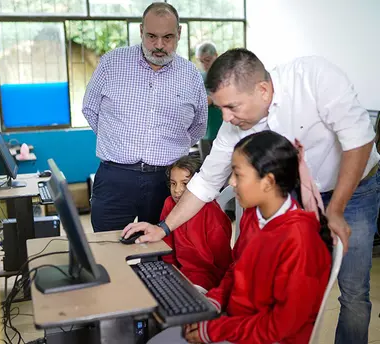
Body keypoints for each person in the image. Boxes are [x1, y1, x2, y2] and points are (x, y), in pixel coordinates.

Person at [123, 49, 380, 344]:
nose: (226, 118)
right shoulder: (241, 143)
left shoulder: (313, 77)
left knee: (353, 291)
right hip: (295, 189)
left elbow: (358, 140)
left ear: (262, 90)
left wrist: (336, 209)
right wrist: (164, 228)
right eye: (221, 109)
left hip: (356, 185)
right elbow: (206, 182)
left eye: (231, 107)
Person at [148, 131, 332, 344]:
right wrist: (214, 301)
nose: (232, 183)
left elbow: (280, 326)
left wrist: (214, 331)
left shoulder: (301, 240)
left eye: (238, 174)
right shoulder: (253, 216)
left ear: (268, 182)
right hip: (236, 321)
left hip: (264, 336)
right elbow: (236, 270)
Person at [82, 2, 207, 232]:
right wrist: (116, 140)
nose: (159, 45)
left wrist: (168, 147)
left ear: (179, 33)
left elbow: (198, 125)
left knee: (163, 253)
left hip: (167, 180)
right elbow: (90, 108)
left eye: (168, 37)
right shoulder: (112, 63)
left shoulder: (191, 76)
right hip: (114, 178)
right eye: (151, 36)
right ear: (141, 31)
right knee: (109, 249)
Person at [161, 155, 232, 293]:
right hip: (178, 272)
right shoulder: (169, 204)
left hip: (207, 277)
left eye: (185, 184)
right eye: (173, 183)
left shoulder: (211, 212)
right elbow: (166, 246)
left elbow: (222, 261)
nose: (177, 190)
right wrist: (168, 273)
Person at [195, 42, 223, 160]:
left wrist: (213, 99)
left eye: (207, 60)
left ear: (216, 56)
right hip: (205, 131)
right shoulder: (199, 77)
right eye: (201, 61)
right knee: (205, 165)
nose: (204, 64)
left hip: (222, 130)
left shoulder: (224, 75)